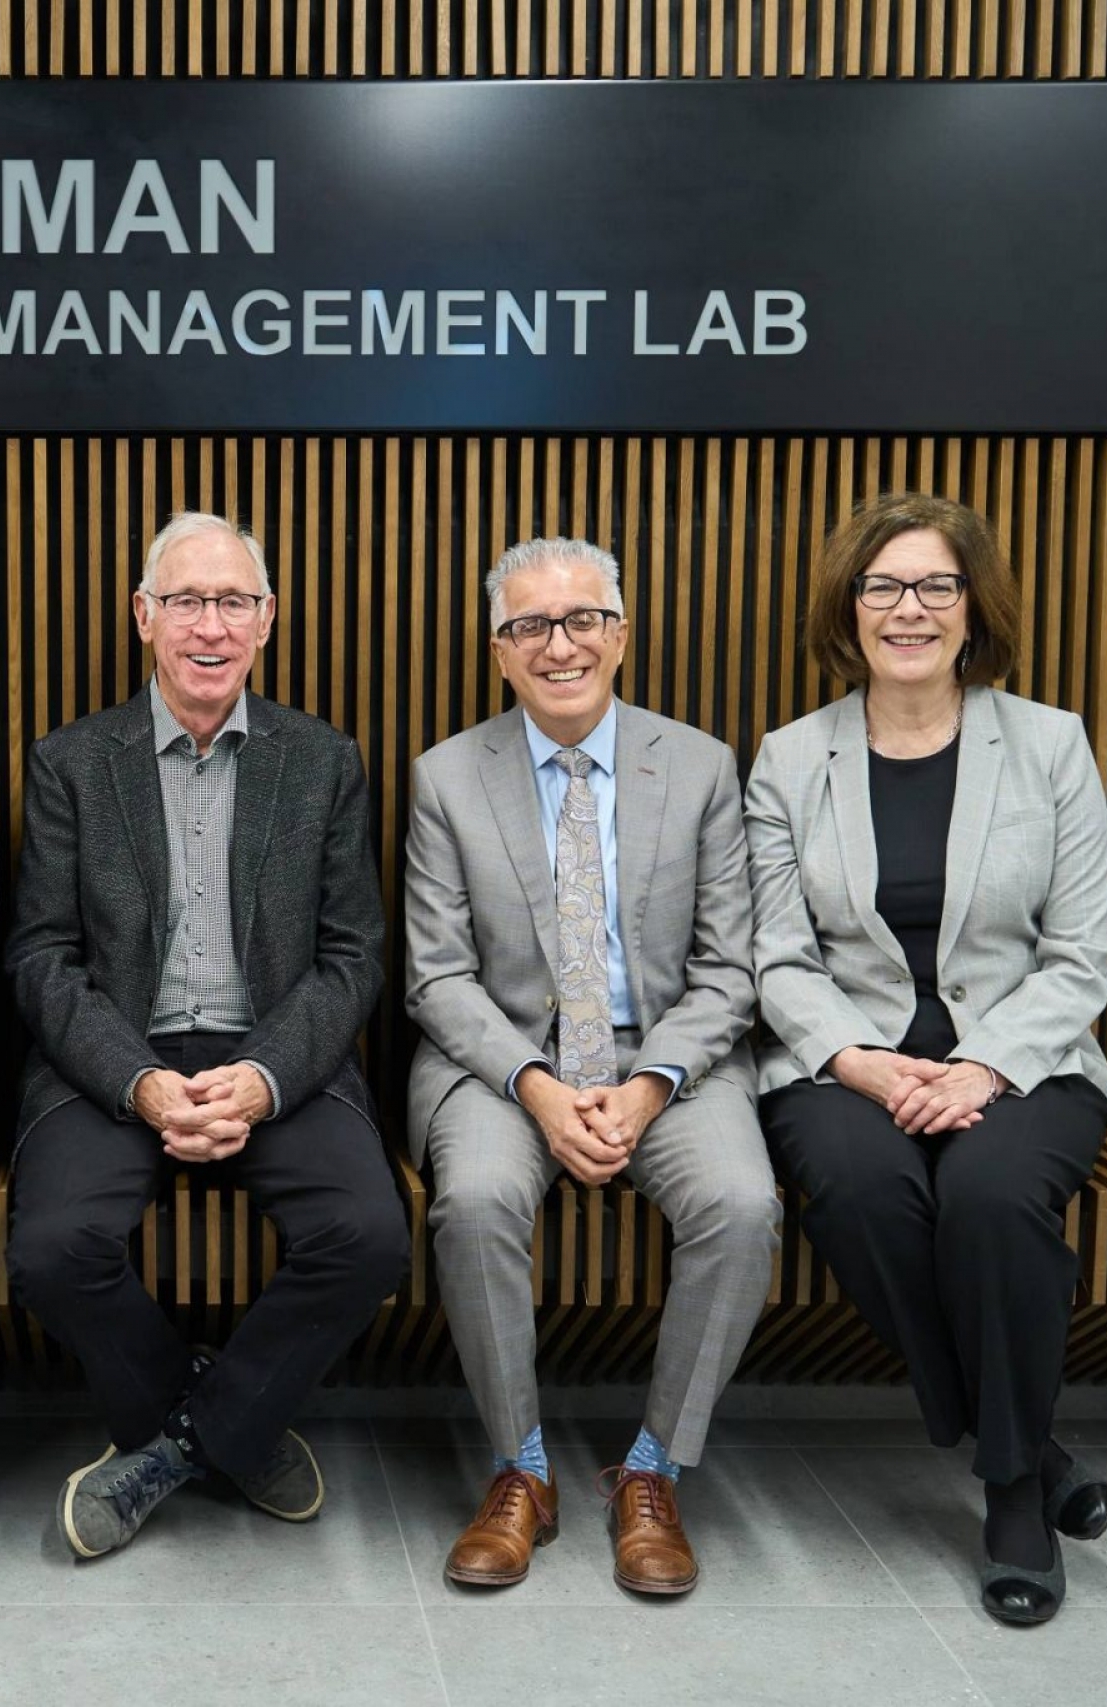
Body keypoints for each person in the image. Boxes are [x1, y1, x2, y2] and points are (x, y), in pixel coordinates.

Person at [746, 491, 1107, 1627]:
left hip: (1024, 1062)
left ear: (973, 609)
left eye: (934, 586)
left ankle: (1010, 1492)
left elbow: (1083, 946)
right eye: (882, 587)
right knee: (859, 1191)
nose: (907, 609)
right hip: (845, 1065)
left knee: (993, 1197)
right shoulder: (787, 757)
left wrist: (987, 1066)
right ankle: (1033, 1442)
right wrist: (856, 1060)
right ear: (847, 609)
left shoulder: (1049, 744)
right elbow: (775, 952)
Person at [5, 510, 410, 1560]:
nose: (209, 624)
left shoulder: (320, 760)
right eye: (185, 599)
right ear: (143, 616)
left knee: (368, 1235)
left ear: (267, 621)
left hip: (278, 1056)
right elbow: (41, 958)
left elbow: (351, 956)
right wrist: (137, 1081)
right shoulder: (71, 762)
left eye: (233, 601)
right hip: (113, 1059)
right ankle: (230, 1423)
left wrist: (265, 1075)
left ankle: (175, 1445)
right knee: (51, 1250)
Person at [402, 537, 779, 1595]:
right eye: (530, 626)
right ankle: (519, 1469)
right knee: (471, 1201)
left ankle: (652, 1471)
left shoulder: (699, 765)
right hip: (502, 1065)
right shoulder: (444, 776)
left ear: (620, 634)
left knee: (743, 1206)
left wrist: (650, 1082)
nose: (557, 644)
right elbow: (435, 979)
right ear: (498, 652)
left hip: (664, 1058)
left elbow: (728, 968)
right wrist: (539, 1086)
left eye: (581, 620)